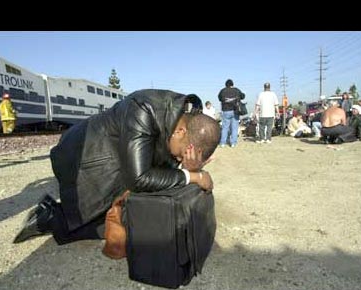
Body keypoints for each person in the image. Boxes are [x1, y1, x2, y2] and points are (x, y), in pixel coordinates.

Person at [13, 89, 221, 245]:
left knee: (137, 216)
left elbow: (162, 164)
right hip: (82, 158)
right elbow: (139, 178)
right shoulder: (144, 110)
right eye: (181, 153)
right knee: (119, 224)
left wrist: (188, 167)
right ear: (181, 132)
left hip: (117, 159)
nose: (178, 157)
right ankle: (48, 218)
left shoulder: (183, 118)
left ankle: (55, 214)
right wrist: (193, 176)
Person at [218, 79, 245, 148]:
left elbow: (219, 98)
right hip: (235, 111)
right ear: (232, 85)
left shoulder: (222, 90)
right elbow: (243, 96)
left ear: (226, 85)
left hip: (226, 111)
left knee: (225, 128)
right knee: (234, 128)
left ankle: (223, 143)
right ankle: (233, 143)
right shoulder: (236, 90)